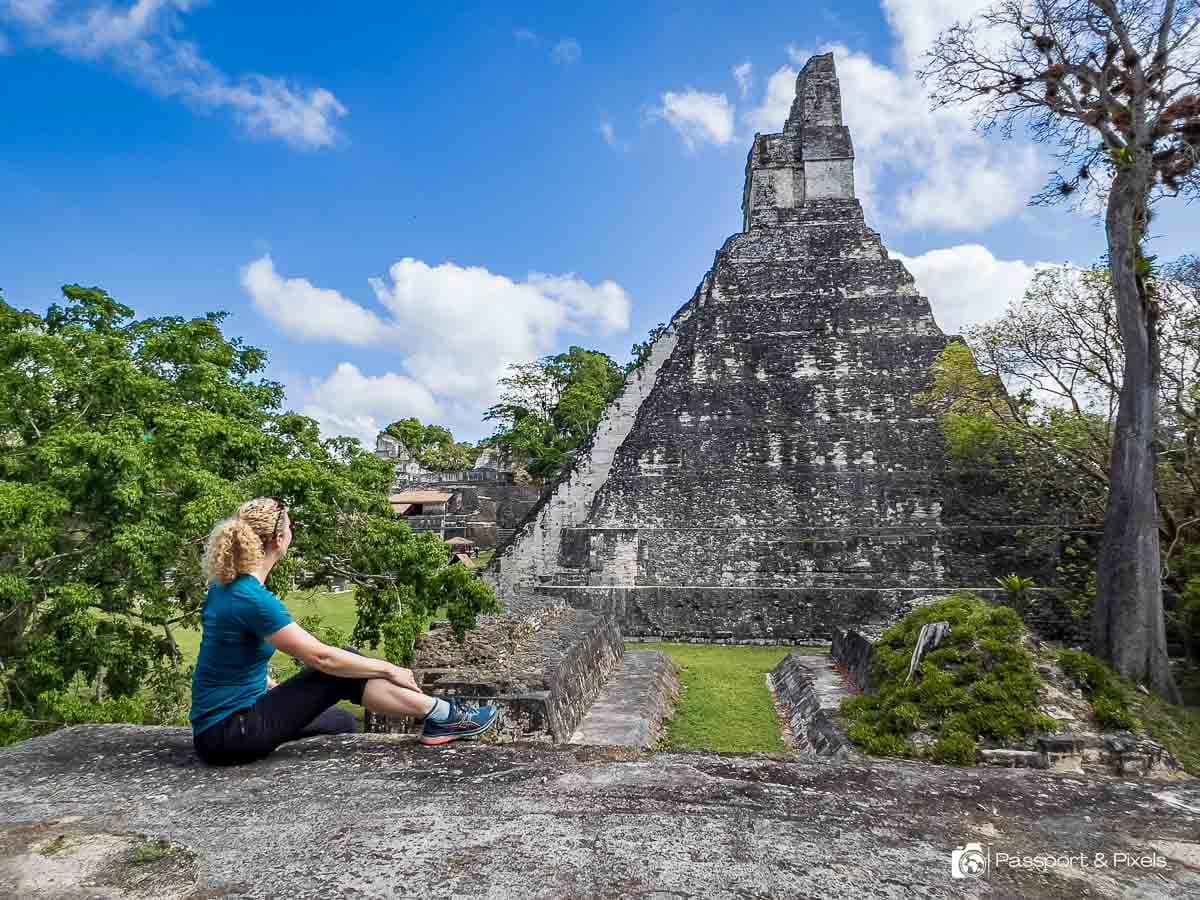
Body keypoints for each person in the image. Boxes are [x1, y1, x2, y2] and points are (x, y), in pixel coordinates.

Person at [189, 497, 500, 765]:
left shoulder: (228, 586)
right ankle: (444, 715)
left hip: (226, 725)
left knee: (341, 720)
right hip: (229, 733)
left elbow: (228, 655)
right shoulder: (250, 598)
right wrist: (389, 668)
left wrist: (268, 685)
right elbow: (321, 658)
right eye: (290, 527)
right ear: (278, 539)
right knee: (336, 670)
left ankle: (439, 717)